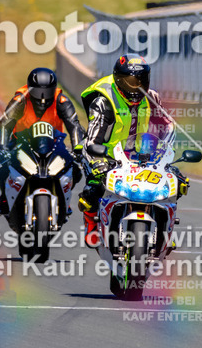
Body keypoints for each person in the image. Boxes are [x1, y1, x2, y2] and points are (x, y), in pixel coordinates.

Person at [78, 55, 187, 247]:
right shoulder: (104, 101)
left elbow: (167, 126)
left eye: (141, 81)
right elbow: (93, 139)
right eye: (130, 81)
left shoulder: (151, 97)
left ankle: (164, 231)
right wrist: (99, 160)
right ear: (119, 79)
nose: (136, 87)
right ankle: (91, 224)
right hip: (103, 154)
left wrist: (165, 154)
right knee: (95, 186)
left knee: (175, 183)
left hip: (138, 157)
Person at [0, 67, 84, 215]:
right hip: (20, 142)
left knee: (76, 170)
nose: (42, 98)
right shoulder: (20, 100)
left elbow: (74, 126)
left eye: (47, 92)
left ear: (53, 89)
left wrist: (78, 150)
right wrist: (2, 148)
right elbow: (5, 124)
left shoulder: (62, 101)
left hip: (54, 144)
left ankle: (63, 199)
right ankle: (4, 198)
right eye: (38, 92)